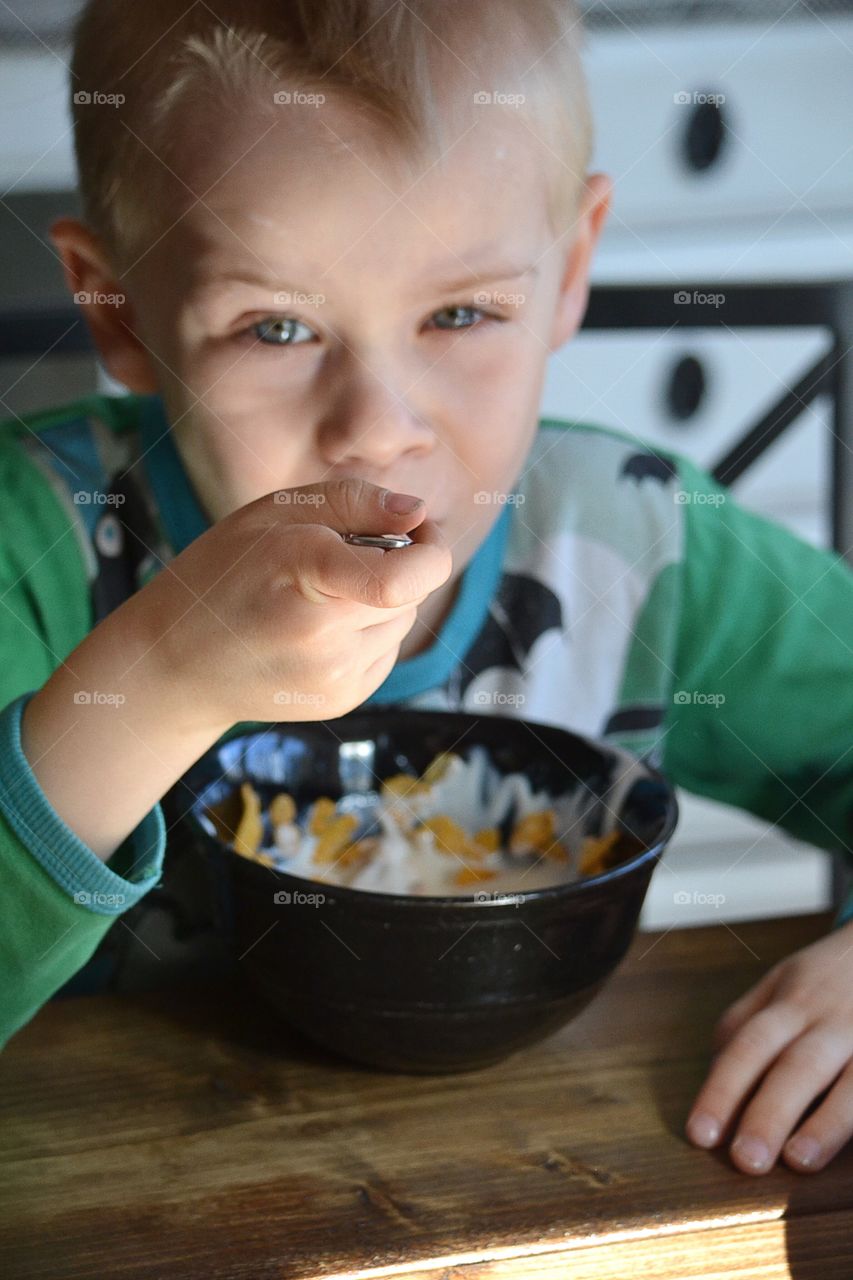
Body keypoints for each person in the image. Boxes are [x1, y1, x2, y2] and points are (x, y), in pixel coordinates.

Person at [1, 0, 851, 1180]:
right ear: (118, 309)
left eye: (460, 313)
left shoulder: (643, 545)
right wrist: (157, 680)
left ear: (571, 270)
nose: (377, 430)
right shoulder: (33, 543)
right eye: (276, 326)